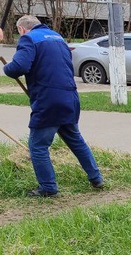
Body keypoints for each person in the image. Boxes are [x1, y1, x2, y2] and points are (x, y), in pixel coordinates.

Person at [3, 15, 103, 197]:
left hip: (48, 100)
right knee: (75, 140)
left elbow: (18, 67)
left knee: (38, 146)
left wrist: (6, 68)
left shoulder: (28, 39)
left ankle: (48, 188)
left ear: (22, 29)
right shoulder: (57, 37)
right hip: (69, 97)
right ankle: (96, 177)